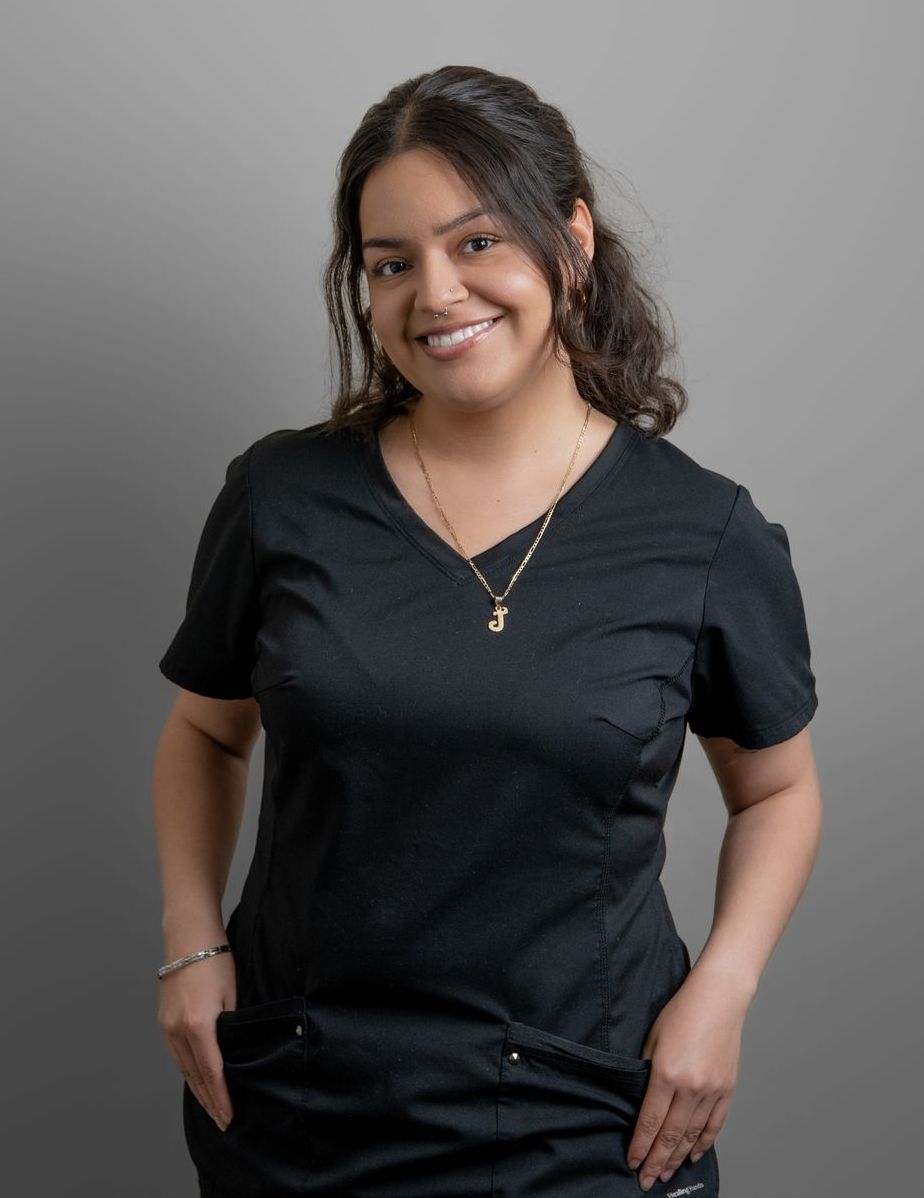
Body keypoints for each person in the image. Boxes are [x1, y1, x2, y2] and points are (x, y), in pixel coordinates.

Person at [151, 64, 822, 1198]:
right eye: (391, 264)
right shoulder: (282, 496)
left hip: (586, 1110)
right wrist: (189, 943)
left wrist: (724, 987)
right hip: (300, 1102)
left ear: (572, 238)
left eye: (475, 243)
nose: (436, 295)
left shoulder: (703, 531)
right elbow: (206, 736)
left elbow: (779, 792)